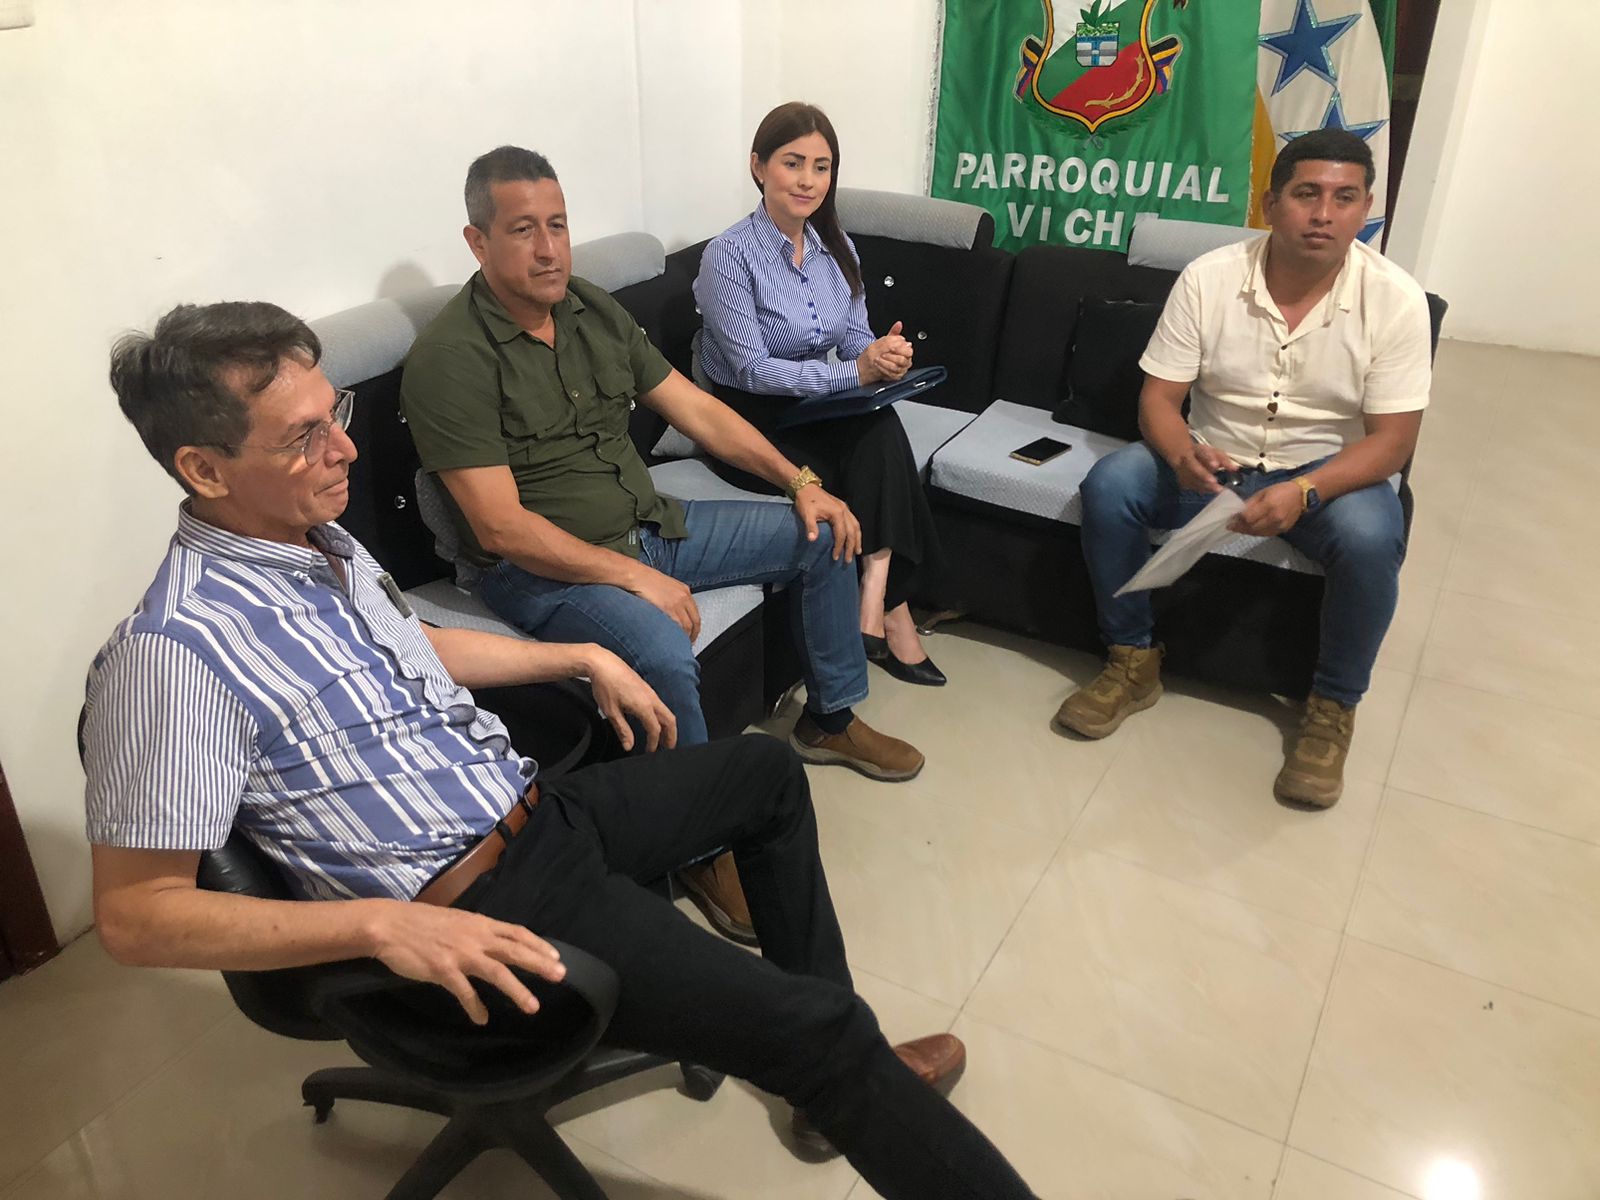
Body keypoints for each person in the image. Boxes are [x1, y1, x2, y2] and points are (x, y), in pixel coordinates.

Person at [83, 302, 1038, 1200]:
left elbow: (410, 647)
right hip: (477, 901)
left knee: (766, 773)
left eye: (335, 412)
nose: (346, 447)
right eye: (304, 436)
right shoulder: (173, 654)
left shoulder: (317, 540)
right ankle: (834, 1058)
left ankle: (831, 1079)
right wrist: (379, 927)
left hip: (536, 813)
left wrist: (578, 656)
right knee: (822, 1032)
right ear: (205, 469)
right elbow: (136, 917)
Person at [400, 147, 928, 942]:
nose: (548, 249)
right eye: (522, 230)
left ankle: (830, 717)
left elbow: (697, 410)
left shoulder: (590, 309)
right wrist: (630, 578)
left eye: (557, 226)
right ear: (477, 242)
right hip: (540, 572)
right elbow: (500, 527)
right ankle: (702, 845)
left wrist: (800, 482)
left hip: (650, 524)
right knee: (663, 652)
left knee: (820, 531)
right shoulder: (451, 358)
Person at [1053, 129, 1432, 808]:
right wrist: (1181, 454)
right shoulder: (1210, 277)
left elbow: (1393, 442)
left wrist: (1305, 490)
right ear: (1270, 203)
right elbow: (1158, 400)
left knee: (1374, 537)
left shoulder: (1395, 299)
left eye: (1345, 198)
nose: (1324, 214)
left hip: (1327, 474)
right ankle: (1132, 659)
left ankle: (1332, 708)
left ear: (1366, 208)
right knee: (1111, 485)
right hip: (1214, 459)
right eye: (1306, 194)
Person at [695, 101, 946, 687]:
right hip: (749, 419)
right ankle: (890, 611)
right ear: (758, 167)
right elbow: (752, 371)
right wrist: (852, 375)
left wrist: (882, 354)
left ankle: (874, 593)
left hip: (813, 404)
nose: (808, 180)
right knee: (877, 441)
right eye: (793, 163)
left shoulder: (838, 248)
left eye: (821, 166)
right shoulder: (727, 255)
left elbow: (853, 338)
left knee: (876, 426)